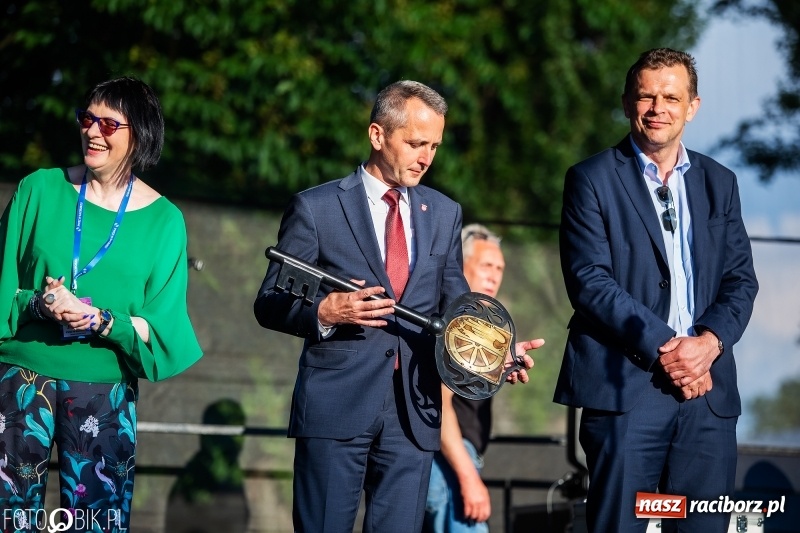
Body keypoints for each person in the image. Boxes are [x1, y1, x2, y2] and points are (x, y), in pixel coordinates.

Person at [254, 80, 542, 533]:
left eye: (434, 145)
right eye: (415, 142)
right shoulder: (317, 208)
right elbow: (270, 301)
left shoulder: (445, 213)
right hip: (336, 408)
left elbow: (455, 309)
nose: (426, 156)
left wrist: (494, 353)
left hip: (415, 411)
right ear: (377, 135)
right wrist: (325, 313)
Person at [554, 48, 759, 532]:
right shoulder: (590, 179)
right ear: (627, 103)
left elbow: (740, 279)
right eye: (646, 96)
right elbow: (590, 282)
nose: (657, 108)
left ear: (693, 106)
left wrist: (706, 345)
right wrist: (673, 351)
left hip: (707, 397)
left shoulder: (720, 182)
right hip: (628, 391)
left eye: (671, 97)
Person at [0, 77, 203, 529]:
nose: (93, 131)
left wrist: (101, 320)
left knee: (97, 522)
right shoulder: (38, 189)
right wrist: (37, 304)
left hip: (103, 393)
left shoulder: (165, 221)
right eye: (87, 118)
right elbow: (1, 285)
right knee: (10, 518)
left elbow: (161, 327)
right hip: (20, 381)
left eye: (109, 124)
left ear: (140, 134)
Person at [425, 223, 525, 533]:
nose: (494, 274)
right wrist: (469, 479)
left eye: (500, 267)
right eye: (486, 265)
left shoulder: (483, 322)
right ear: (458, 265)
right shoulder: (455, 321)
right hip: (446, 463)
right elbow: (438, 406)